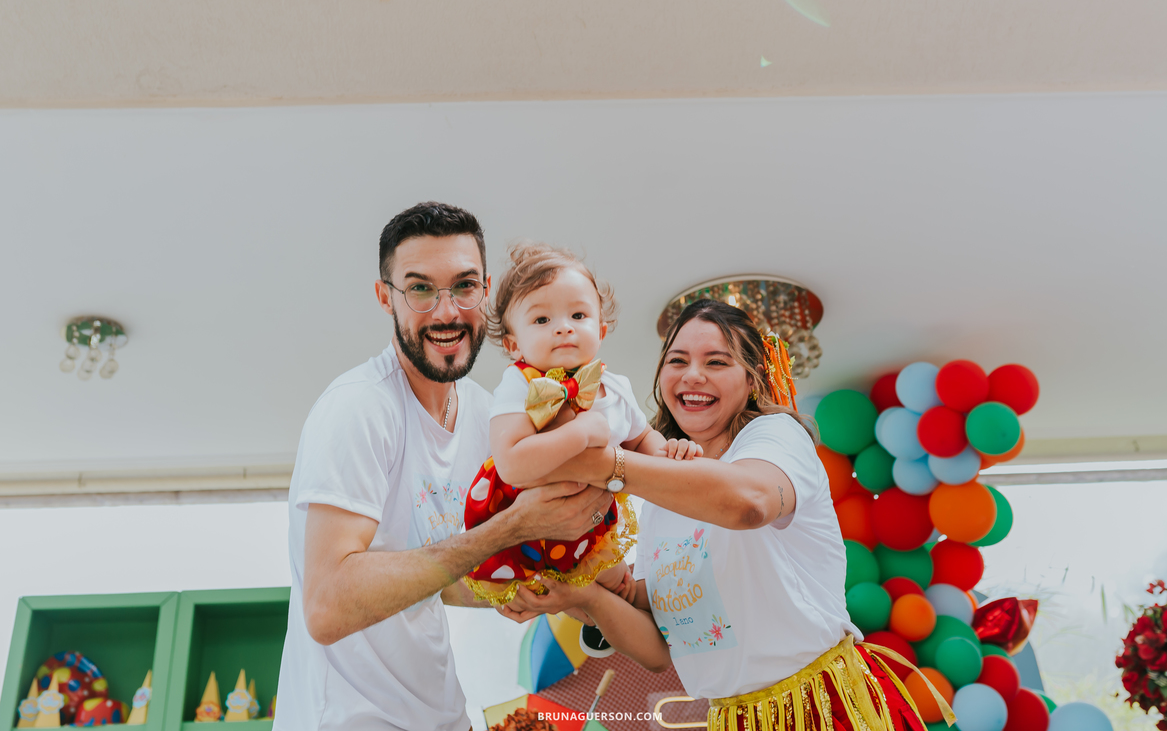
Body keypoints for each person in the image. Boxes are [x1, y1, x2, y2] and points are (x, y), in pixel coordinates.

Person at [503, 299, 949, 731]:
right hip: (729, 717)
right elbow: (661, 650)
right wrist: (582, 595)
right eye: (677, 361)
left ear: (753, 379)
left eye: (716, 362)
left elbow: (749, 504)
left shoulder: (774, 435)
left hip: (821, 706)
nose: (693, 375)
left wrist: (599, 462)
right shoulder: (659, 492)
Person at [274, 203, 615, 731]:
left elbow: (437, 574)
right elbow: (327, 606)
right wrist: (514, 528)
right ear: (385, 296)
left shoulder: (488, 414)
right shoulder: (358, 408)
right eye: (420, 289)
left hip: (441, 715)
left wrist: (527, 587)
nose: (447, 311)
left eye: (464, 285)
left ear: (487, 289)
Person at [460, 243, 700, 649]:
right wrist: (581, 433)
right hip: (527, 536)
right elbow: (513, 463)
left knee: (619, 583)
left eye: (578, 315)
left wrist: (669, 454)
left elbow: (641, 438)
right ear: (514, 344)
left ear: (601, 330)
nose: (563, 327)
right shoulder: (520, 385)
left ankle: (653, 626)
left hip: (592, 528)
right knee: (547, 594)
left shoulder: (615, 386)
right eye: (541, 318)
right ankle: (597, 619)